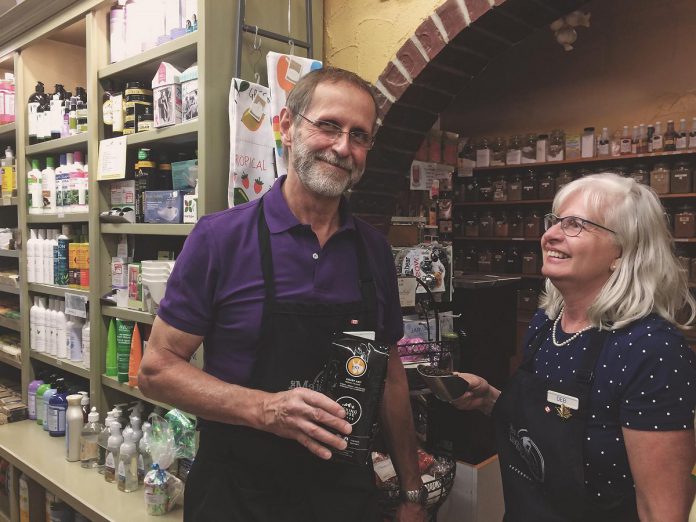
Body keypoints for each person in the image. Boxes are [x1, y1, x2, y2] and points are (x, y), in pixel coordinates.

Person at [138, 67, 427, 522]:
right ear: (287, 127)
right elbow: (156, 371)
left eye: (359, 136)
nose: (342, 147)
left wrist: (412, 491)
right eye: (328, 125)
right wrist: (264, 408)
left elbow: (390, 377)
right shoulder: (220, 239)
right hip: (238, 496)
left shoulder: (373, 250)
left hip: (342, 498)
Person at [451, 173, 696, 521]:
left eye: (575, 224)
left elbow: (662, 511)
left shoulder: (650, 349)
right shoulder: (547, 323)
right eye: (555, 221)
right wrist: (491, 399)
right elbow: (550, 421)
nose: (549, 234)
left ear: (622, 251)